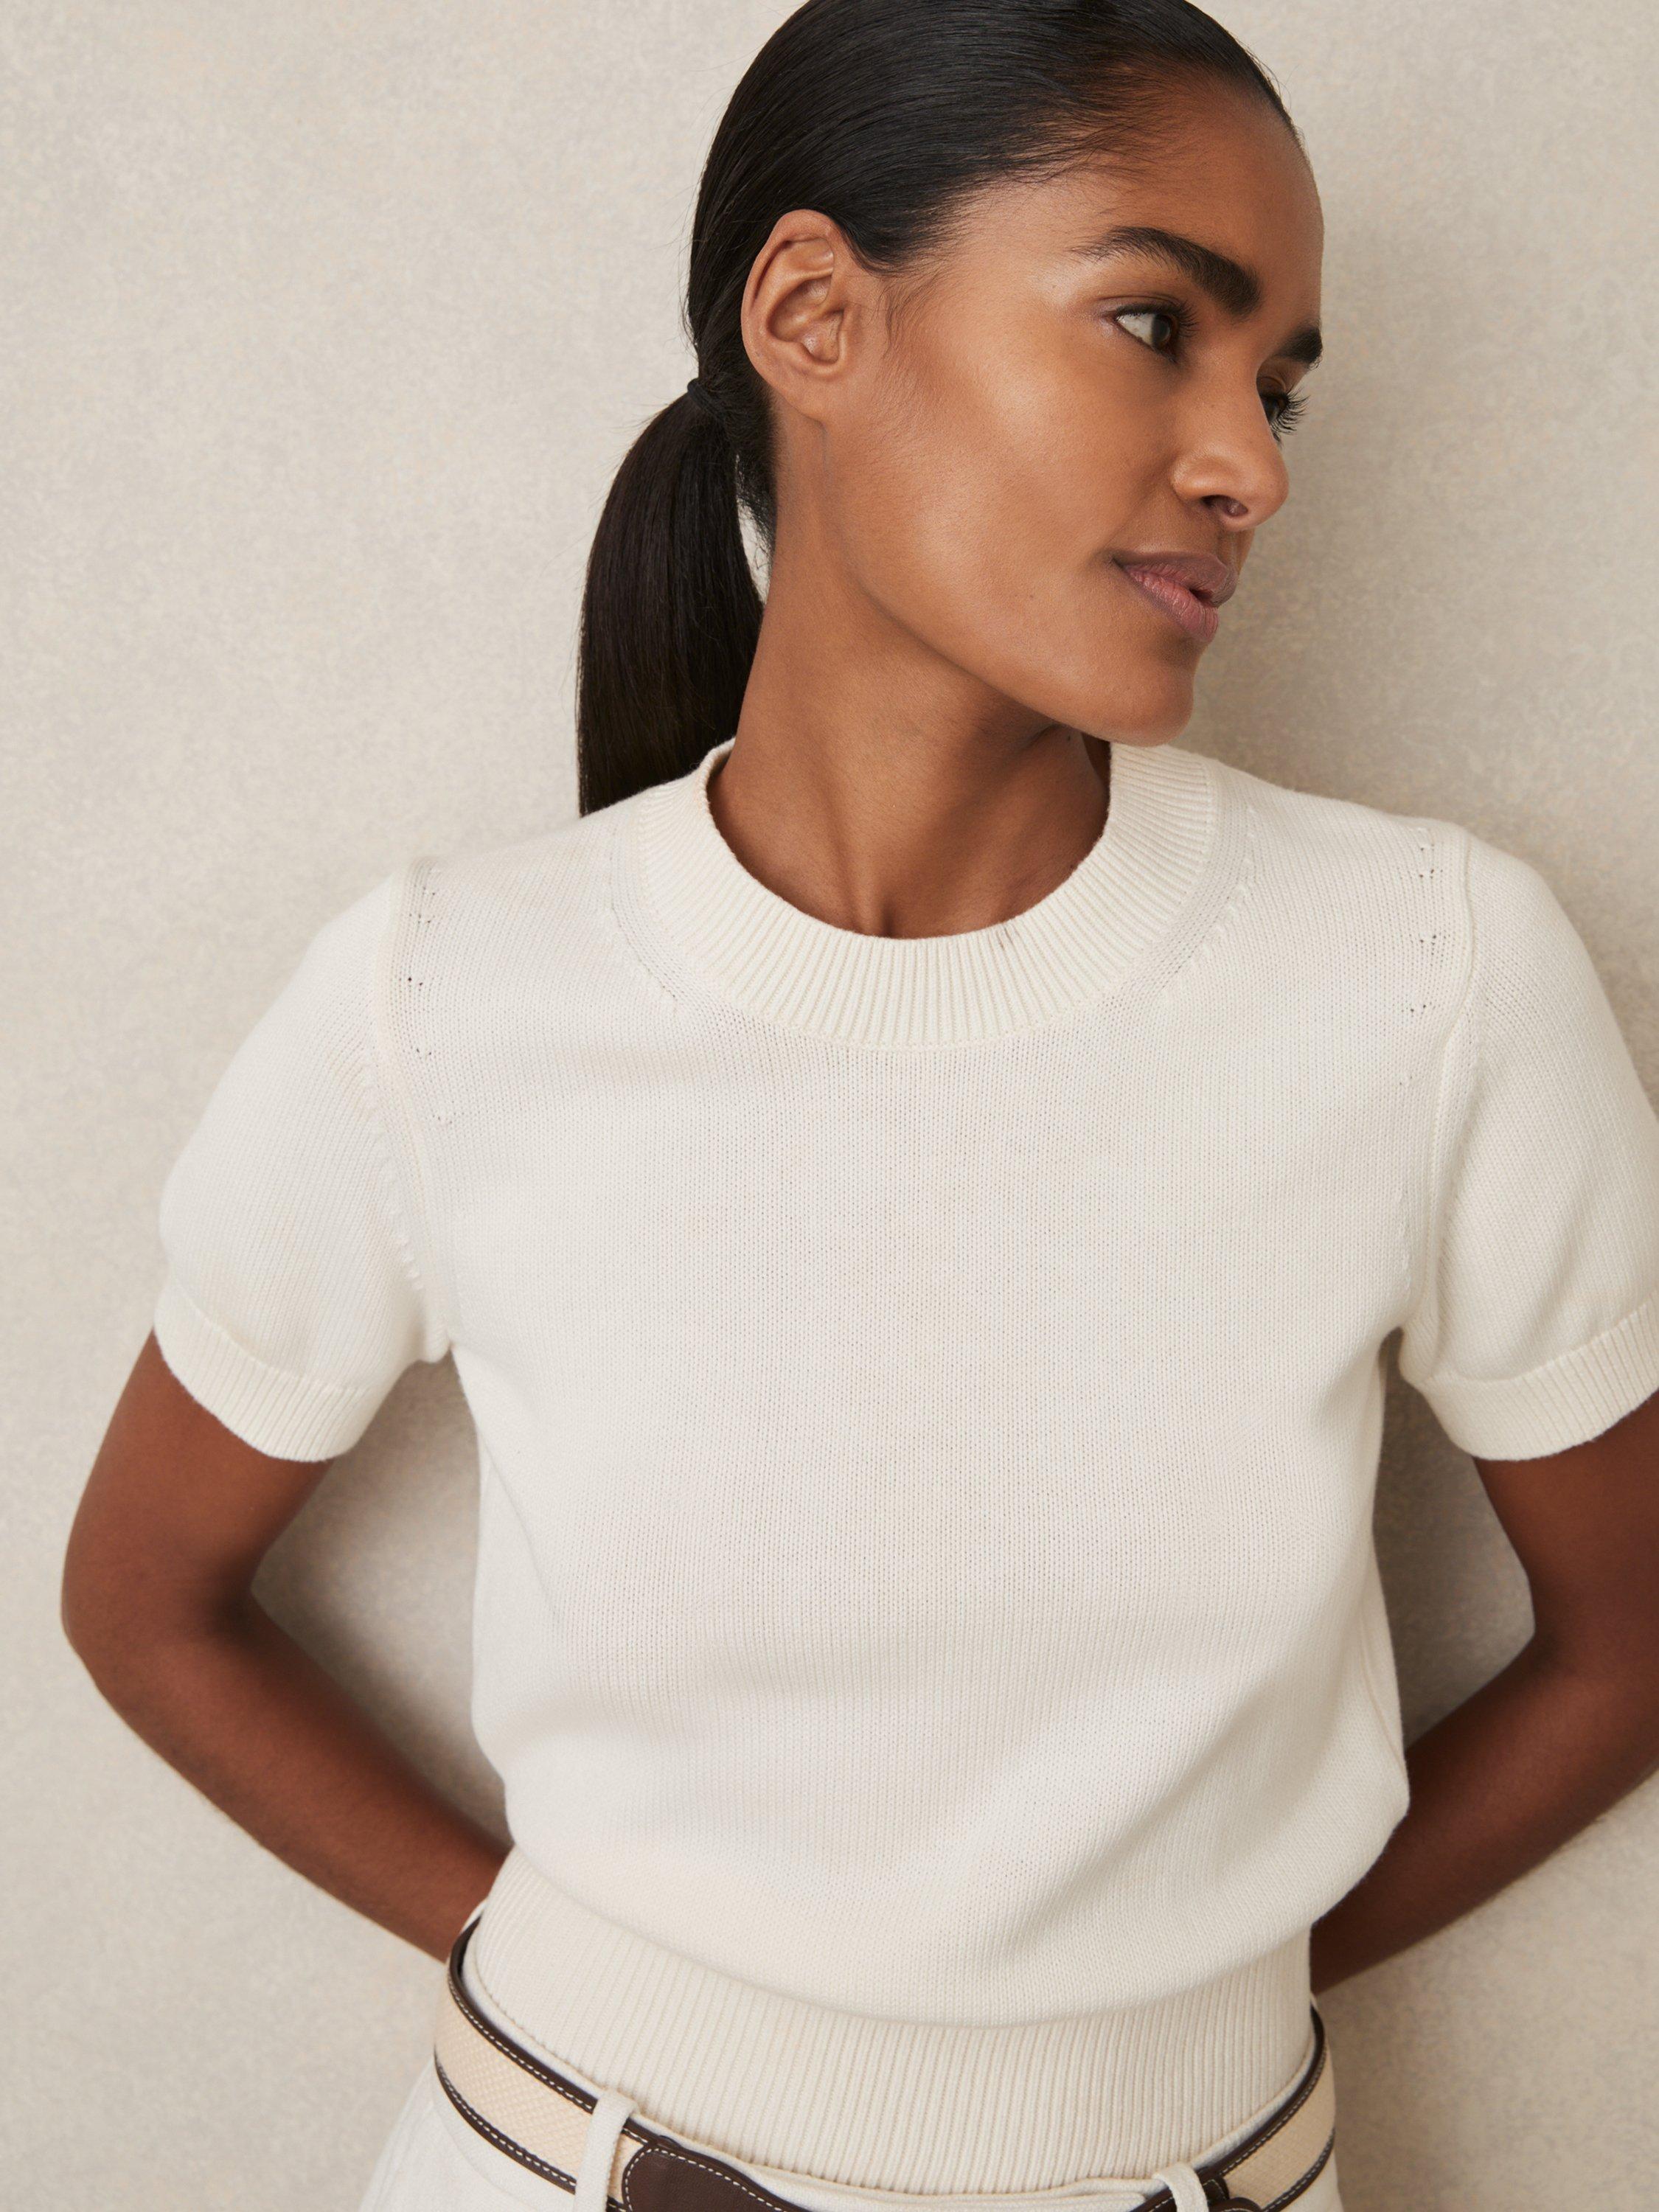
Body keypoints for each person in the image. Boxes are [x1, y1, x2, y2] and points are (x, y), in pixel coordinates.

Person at [62, 3, 1659, 2208]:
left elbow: (1630, 1643)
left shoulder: (1427, 974)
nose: (1251, 466)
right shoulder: (442, 997)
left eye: (1276, 384)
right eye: (1153, 325)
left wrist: (1170, 2026)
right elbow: (143, 1600)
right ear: (813, 314)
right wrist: (585, 1998)